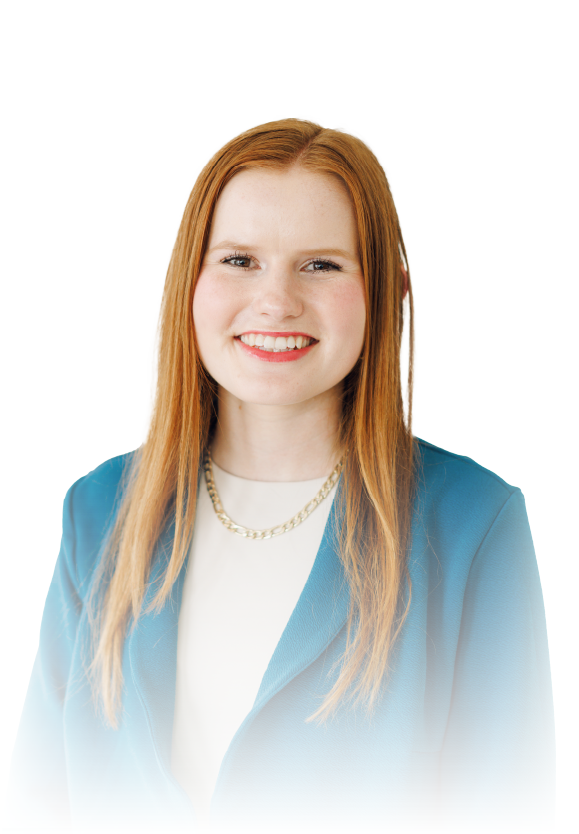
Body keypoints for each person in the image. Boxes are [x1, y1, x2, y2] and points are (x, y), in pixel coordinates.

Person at [5, 117, 555, 834]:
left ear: (389, 292)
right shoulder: (99, 510)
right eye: (239, 260)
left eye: (320, 265)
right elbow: (39, 801)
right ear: (189, 282)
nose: (275, 300)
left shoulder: (473, 523)